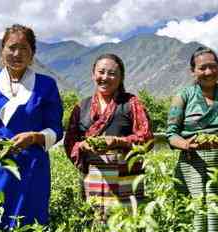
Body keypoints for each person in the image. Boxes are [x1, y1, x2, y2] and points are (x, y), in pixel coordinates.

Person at [0, 24, 64, 228]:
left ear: (33, 54)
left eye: (24, 49)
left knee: (29, 225)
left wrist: (35, 137)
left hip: (33, 169)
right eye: (12, 47)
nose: (17, 54)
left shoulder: (46, 85)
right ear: (2, 50)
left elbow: (56, 129)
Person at [166, 47, 218, 232]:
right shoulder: (183, 97)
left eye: (213, 66)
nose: (208, 72)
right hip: (192, 164)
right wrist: (187, 145)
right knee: (197, 210)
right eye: (202, 68)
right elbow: (171, 135)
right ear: (193, 71)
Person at [64, 53, 153, 221]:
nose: (105, 77)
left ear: (121, 78)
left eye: (112, 73)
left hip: (126, 179)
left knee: (125, 230)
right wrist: (83, 146)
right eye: (101, 72)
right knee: (94, 229)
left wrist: (120, 141)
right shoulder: (81, 107)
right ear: (93, 74)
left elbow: (147, 137)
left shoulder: (131, 103)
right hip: (93, 179)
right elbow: (70, 142)